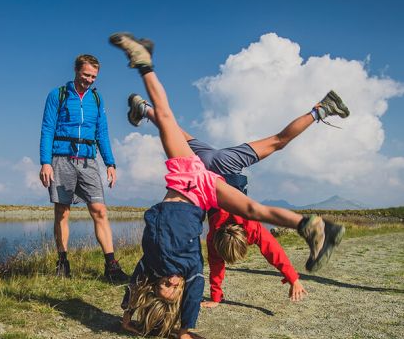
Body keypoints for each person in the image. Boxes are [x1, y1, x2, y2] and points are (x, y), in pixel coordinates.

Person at [109, 32, 345, 339]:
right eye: (173, 288)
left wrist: (129, 314)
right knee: (268, 157)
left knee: (173, 123)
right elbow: (202, 279)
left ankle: (144, 83)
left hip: (197, 174)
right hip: (208, 174)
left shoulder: (159, 264)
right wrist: (185, 329)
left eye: (165, 287)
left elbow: (145, 279)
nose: (172, 282)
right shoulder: (195, 260)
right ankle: (310, 220)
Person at [125, 90, 350, 306]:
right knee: (174, 132)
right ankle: (144, 108)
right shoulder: (215, 235)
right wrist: (215, 296)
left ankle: (319, 110)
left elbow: (274, 254)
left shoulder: (249, 228)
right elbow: (219, 264)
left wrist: (293, 278)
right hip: (204, 163)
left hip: (220, 164)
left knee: (278, 141)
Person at [39, 53, 129, 284]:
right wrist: (45, 162)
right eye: (86, 75)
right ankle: (63, 263)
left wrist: (110, 163)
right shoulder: (57, 95)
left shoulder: (97, 100)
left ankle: (111, 266)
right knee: (62, 212)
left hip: (89, 161)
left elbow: (102, 134)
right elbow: (47, 128)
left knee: (100, 211)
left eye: (94, 76)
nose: (89, 80)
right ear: (76, 71)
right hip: (61, 159)